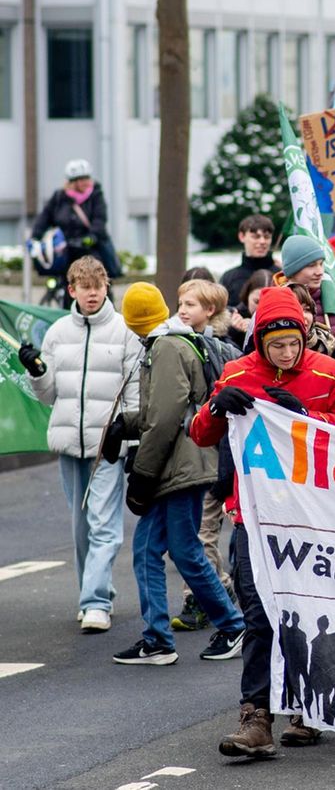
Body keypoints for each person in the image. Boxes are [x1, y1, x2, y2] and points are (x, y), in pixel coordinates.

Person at [191, 287, 335, 758]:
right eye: (277, 346)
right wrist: (215, 406)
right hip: (255, 512)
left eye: (294, 344)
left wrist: (305, 414)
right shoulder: (237, 373)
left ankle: (308, 709)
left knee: (311, 611)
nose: (287, 353)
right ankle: (256, 716)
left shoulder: (327, 371)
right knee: (259, 613)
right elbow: (200, 433)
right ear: (261, 343)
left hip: (313, 515)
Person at [108, 283, 245, 667]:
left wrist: (142, 476)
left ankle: (179, 635)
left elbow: (166, 418)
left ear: (132, 320)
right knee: (175, 549)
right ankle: (208, 629)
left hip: (178, 465)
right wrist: (128, 424)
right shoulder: (173, 342)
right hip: (188, 461)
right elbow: (169, 412)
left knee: (159, 550)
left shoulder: (165, 348)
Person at [18, 256, 142, 633]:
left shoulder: (125, 331)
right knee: (80, 527)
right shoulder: (57, 332)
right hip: (70, 442)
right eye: (85, 287)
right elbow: (48, 394)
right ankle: (95, 590)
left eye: (98, 286)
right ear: (71, 289)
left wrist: (131, 434)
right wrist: (36, 371)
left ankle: (95, 602)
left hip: (108, 443)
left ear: (107, 287)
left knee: (104, 524)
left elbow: (135, 390)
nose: (92, 293)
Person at [170, 279, 243, 632]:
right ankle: (213, 590)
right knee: (200, 531)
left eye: (191, 304)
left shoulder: (222, 350)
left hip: (216, 452)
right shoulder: (175, 342)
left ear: (210, 311)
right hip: (191, 450)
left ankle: (204, 595)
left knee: (206, 530)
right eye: (181, 303)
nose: (182, 310)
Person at [30, 158, 121, 283]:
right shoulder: (59, 197)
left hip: (89, 247)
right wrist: (35, 237)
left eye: (87, 178)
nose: (86, 182)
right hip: (66, 247)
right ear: (72, 182)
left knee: (94, 277)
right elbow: (44, 218)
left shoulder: (96, 196)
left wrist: (91, 237)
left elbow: (99, 221)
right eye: (81, 179)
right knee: (62, 277)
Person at [274, 234, 335, 357]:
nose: (319, 272)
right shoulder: (272, 304)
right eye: (311, 265)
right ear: (293, 269)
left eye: (321, 264)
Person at [220, 215, 277, 307]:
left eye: (266, 237)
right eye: (256, 237)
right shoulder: (229, 278)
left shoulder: (280, 276)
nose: (262, 241)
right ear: (242, 236)